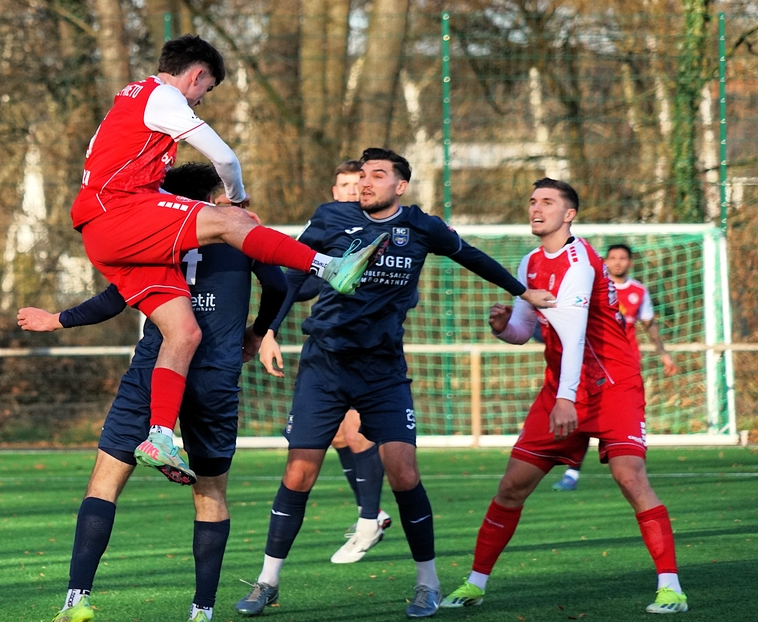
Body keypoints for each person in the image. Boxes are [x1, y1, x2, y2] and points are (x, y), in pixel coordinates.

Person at [234, 149, 555, 619]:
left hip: (383, 371)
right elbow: (294, 273)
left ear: (400, 186)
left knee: (404, 472)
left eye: (378, 175)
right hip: (325, 366)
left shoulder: (422, 227)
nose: (366, 182)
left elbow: (472, 257)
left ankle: (427, 583)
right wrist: (268, 331)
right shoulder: (331, 218)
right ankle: (267, 582)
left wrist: (522, 292)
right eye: (363, 175)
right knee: (298, 474)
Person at [70, 35, 385, 485]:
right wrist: (235, 201)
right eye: (207, 89)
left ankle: (160, 435)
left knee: (183, 332)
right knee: (231, 222)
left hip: (105, 225)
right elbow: (225, 158)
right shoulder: (164, 97)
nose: (201, 99)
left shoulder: (133, 98)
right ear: (197, 74)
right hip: (116, 214)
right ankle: (330, 266)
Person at [21, 163, 287, 622]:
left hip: (155, 369)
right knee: (210, 492)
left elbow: (115, 297)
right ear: (214, 198)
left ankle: (77, 600)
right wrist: (259, 331)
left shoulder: (156, 234)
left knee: (105, 482)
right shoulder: (241, 232)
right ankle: (202, 611)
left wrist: (57, 320)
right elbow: (279, 285)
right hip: (214, 376)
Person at [441, 178, 688, 615]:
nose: (536, 208)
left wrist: (565, 399)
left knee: (630, 477)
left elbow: (574, 336)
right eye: (533, 201)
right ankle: (475, 583)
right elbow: (523, 331)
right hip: (563, 387)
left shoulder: (580, 262)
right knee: (512, 486)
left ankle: (671, 588)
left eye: (548, 202)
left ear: (569, 214)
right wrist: (502, 328)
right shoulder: (529, 261)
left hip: (612, 386)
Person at [259, 159, 392, 563]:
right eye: (345, 185)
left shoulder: (382, 225)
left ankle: (370, 517)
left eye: (358, 183)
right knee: (338, 436)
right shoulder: (329, 224)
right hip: (328, 349)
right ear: (334, 192)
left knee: (357, 431)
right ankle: (371, 514)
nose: (352, 190)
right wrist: (269, 326)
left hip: (366, 349)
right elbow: (303, 282)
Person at [552, 243, 679, 491]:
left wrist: (664, 354)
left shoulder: (638, 291)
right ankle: (572, 473)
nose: (618, 262)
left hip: (625, 368)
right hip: (594, 366)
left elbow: (649, 324)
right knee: (587, 415)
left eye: (623, 258)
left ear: (630, 262)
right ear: (605, 261)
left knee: (624, 419)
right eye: (613, 258)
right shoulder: (592, 288)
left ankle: (630, 470)